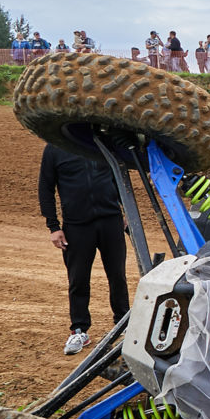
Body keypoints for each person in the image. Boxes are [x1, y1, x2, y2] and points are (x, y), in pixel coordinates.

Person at [39, 144, 130, 356]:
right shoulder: (54, 148)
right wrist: (53, 227)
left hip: (111, 220)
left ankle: (123, 323)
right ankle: (79, 330)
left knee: (118, 275)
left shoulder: (100, 141)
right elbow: (45, 188)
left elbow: (119, 178)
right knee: (78, 279)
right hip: (77, 226)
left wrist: (125, 211)